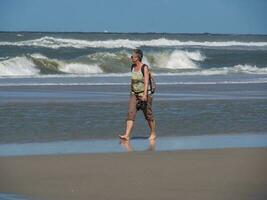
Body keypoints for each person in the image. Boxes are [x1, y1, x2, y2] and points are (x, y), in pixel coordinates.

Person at [119, 49, 156, 141]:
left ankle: (153, 133)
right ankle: (127, 135)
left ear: (138, 57)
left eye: (132, 56)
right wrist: (131, 91)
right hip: (134, 94)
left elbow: (146, 81)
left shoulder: (144, 68)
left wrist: (144, 95)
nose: (131, 58)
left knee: (148, 115)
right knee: (130, 114)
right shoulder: (132, 67)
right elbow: (132, 80)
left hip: (144, 94)